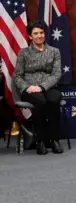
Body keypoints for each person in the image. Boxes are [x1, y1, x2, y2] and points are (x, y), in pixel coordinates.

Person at [11, 20, 63, 155]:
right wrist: (27, 87)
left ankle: (55, 140)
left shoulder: (54, 52)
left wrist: (42, 86)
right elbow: (17, 76)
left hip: (49, 86)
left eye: (41, 33)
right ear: (30, 36)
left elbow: (56, 74)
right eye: (35, 33)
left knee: (54, 100)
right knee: (40, 101)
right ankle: (40, 141)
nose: (39, 36)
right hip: (30, 89)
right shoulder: (24, 53)